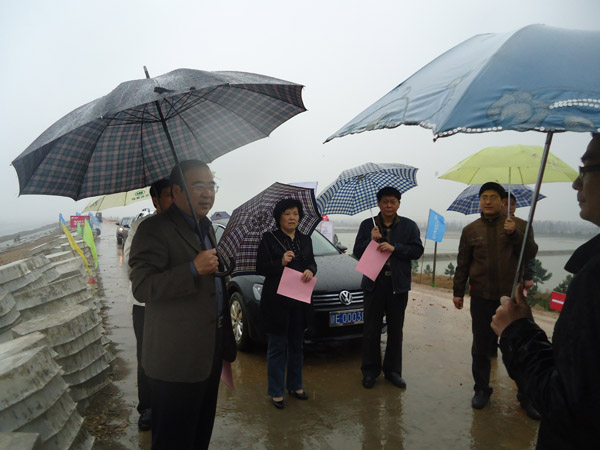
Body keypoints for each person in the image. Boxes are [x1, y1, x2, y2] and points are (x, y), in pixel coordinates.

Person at [492, 134, 600, 449]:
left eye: (586, 169)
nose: (576, 184)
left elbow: (569, 403)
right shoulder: (476, 227)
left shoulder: (593, 281)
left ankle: (525, 400)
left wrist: (518, 332)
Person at [129, 160, 237, 450]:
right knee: (173, 440)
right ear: (176, 191)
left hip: (209, 352)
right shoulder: (154, 229)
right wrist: (191, 269)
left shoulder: (206, 227)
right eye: (198, 185)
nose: (207, 193)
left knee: (200, 434)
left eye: (211, 186)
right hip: (175, 360)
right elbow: (142, 287)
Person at [452, 182, 538, 412]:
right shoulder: (471, 230)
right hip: (481, 296)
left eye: (493, 197)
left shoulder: (519, 225)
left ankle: (526, 396)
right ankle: (482, 389)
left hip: (511, 298)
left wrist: (514, 234)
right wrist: (458, 291)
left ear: (502, 202)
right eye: (484, 197)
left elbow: (531, 253)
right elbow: (463, 263)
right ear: (479, 201)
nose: (488, 201)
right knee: (481, 346)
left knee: (518, 346)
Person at [353, 186, 424, 389]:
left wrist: (395, 248)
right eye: (385, 201)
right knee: (371, 329)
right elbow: (357, 252)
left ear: (399, 204)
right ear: (379, 203)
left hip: (397, 284)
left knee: (395, 330)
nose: (389, 205)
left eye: (393, 201)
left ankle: (393, 371)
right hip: (374, 284)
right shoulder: (368, 224)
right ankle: (370, 371)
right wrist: (370, 240)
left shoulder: (409, 226)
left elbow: (417, 250)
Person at [256, 198, 317, 409]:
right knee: (277, 346)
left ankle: (295, 385)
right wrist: (280, 262)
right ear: (279, 217)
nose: (292, 217)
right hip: (277, 301)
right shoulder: (268, 239)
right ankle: (276, 391)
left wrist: (310, 270)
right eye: (287, 213)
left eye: (296, 214)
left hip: (299, 299)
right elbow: (261, 267)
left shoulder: (305, 239)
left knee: (297, 345)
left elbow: (312, 262)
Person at [123, 178, 172, 431]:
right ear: (156, 200)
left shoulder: (188, 226)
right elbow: (130, 266)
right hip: (145, 305)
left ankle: (171, 404)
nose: (175, 199)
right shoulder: (141, 227)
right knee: (147, 357)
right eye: (169, 194)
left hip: (177, 306)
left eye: (178, 193)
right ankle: (148, 406)